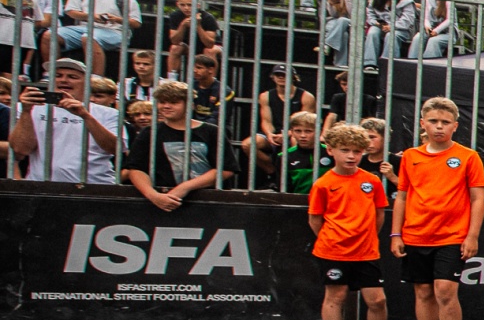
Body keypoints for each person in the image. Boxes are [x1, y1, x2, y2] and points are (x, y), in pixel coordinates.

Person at [390, 96, 484, 320]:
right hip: (416, 235)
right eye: (433, 121)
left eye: (445, 122)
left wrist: (472, 236)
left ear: (455, 125)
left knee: (445, 291)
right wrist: (396, 234)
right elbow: (402, 197)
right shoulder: (411, 156)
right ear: (423, 123)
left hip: (451, 236)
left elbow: (478, 198)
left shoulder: (469, 156)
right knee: (423, 292)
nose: (439, 126)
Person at [309, 122, 407, 320]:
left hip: (366, 252)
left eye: (357, 151)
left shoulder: (371, 181)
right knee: (336, 296)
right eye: (345, 150)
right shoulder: (323, 183)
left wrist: (367, 237)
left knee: (377, 300)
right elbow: (315, 219)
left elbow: (379, 214)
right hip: (333, 250)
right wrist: (334, 238)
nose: (351, 156)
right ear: (330, 150)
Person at [121, 79, 231, 210]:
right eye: (162, 102)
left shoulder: (211, 131)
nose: (166, 106)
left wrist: (185, 187)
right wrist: (153, 196)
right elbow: (136, 169)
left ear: (190, 105)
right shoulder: (149, 132)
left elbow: (226, 169)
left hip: (208, 203)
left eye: (173, 102)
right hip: (162, 202)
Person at [10, 59, 119, 184]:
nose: (64, 80)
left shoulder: (108, 113)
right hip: (42, 187)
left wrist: (85, 116)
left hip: (94, 187)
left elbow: (115, 148)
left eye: (72, 77)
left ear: (88, 83)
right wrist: (26, 111)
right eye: (58, 75)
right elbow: (20, 150)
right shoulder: (30, 108)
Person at [52, 0, 139, 77]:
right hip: (83, 29)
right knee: (50, 35)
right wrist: (92, 16)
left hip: (114, 32)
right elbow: (71, 12)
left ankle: (96, 79)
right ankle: (52, 74)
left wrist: (117, 19)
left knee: (89, 37)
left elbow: (136, 23)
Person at [257, 65, 316, 142]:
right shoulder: (265, 96)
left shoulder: (306, 97)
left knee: (295, 141)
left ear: (294, 77)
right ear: (273, 77)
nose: (281, 77)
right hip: (274, 133)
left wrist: (287, 134)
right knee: (248, 144)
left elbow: (305, 122)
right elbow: (266, 121)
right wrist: (269, 134)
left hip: (296, 133)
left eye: (285, 75)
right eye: (278, 75)